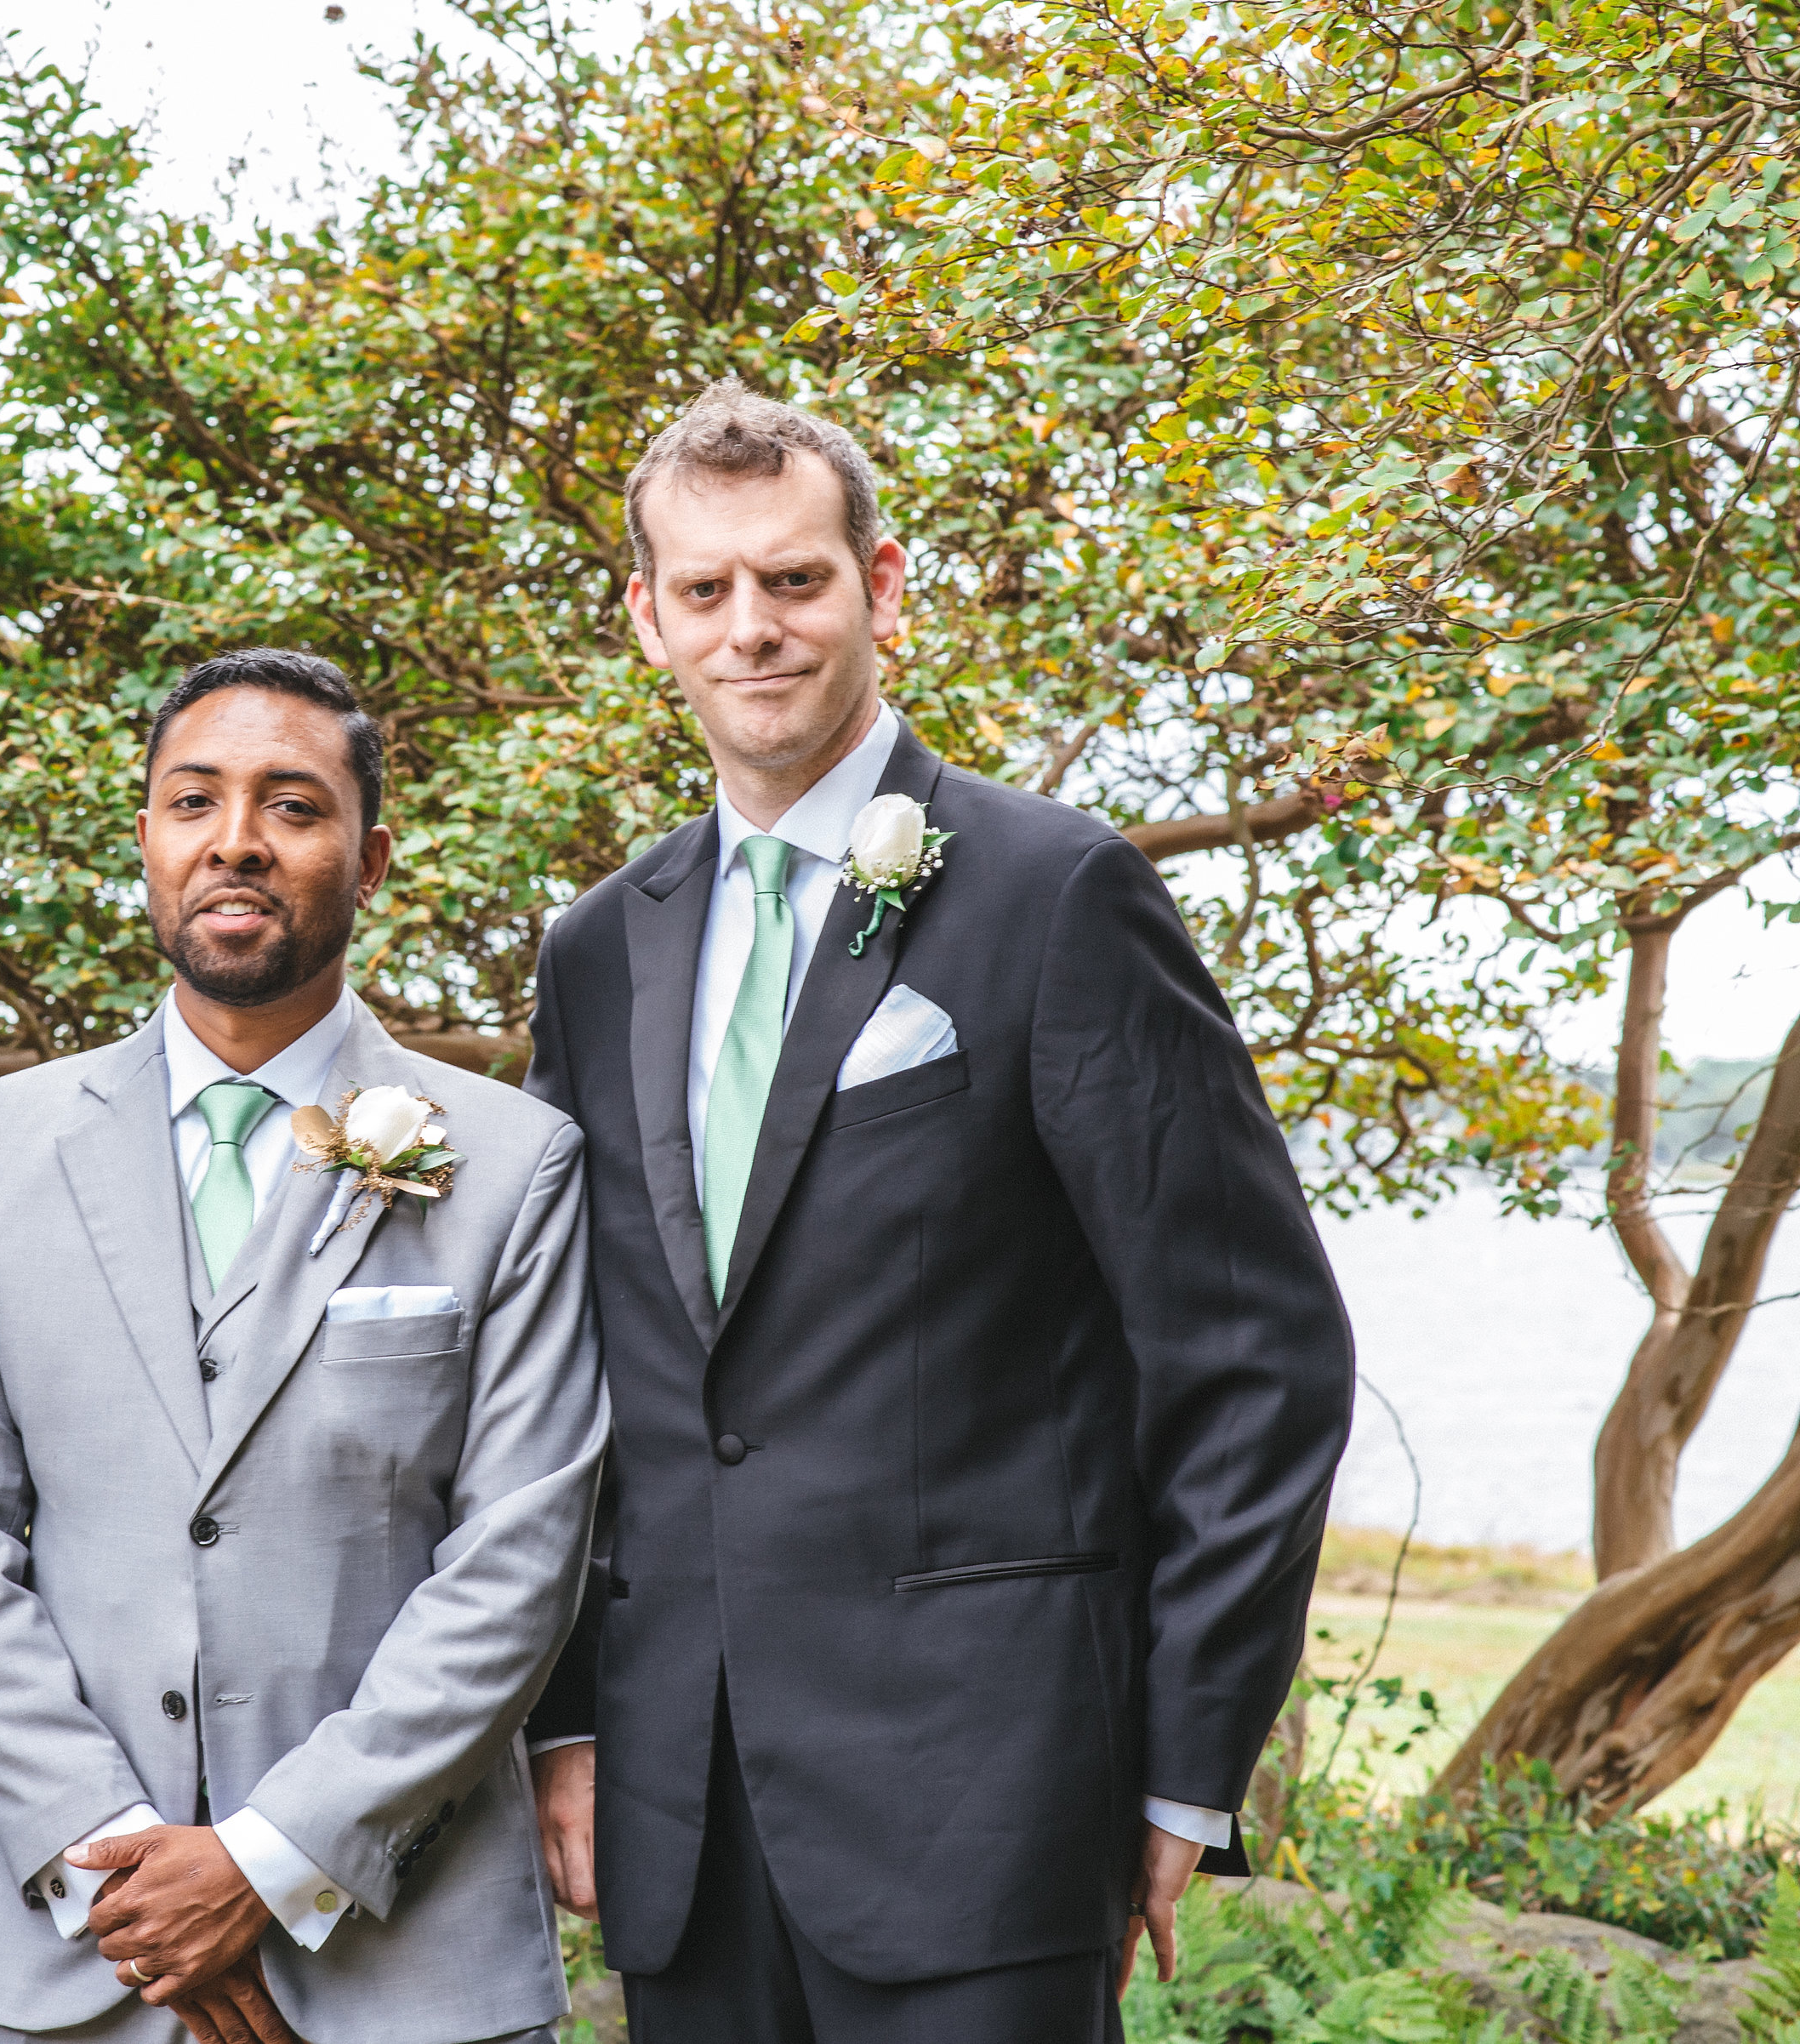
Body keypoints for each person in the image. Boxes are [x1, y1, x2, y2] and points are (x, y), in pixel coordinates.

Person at [519, 383, 1354, 2041]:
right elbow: (561, 1378)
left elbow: (1255, 1355)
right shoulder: (598, 949)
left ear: (882, 586)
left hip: (991, 1799)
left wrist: (1187, 1761)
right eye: (706, 589)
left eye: (796, 579)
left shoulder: (1056, 890)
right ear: (648, 619)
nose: (753, 628)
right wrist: (570, 1717)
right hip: (682, 1815)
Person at [0, 648, 609, 2044]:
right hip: (69, 1962)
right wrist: (118, 1869)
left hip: (406, 1971)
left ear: (371, 858)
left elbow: (521, 1555)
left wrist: (272, 1863)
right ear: (146, 841)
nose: (236, 841)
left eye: (292, 805)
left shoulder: (516, 1163)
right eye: (193, 800)